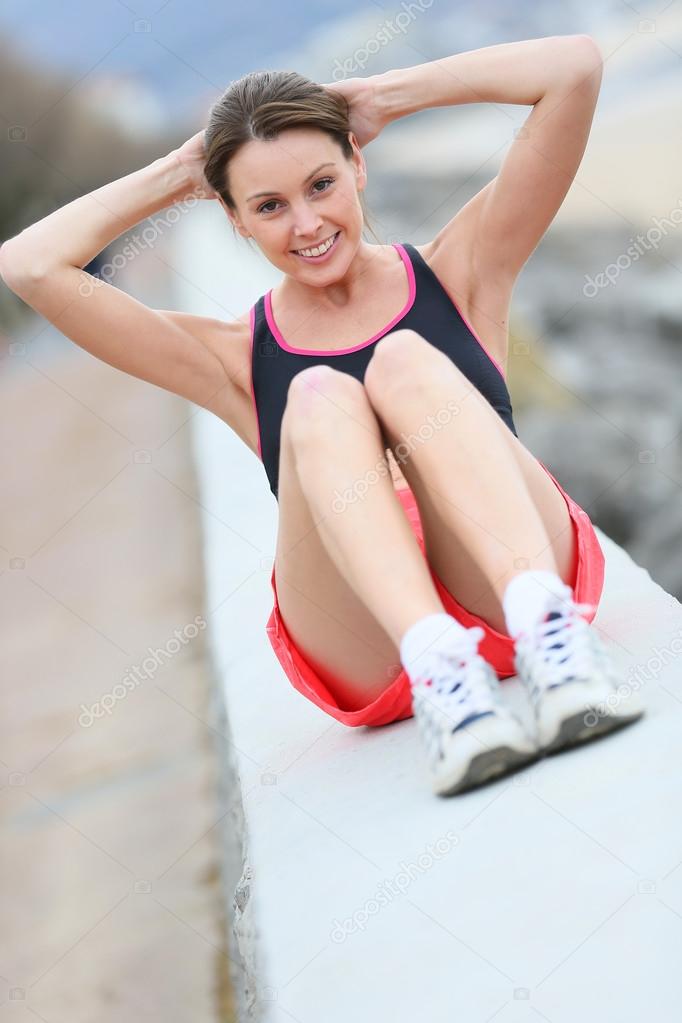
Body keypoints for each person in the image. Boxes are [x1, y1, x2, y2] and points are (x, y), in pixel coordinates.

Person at [0, 35, 644, 800]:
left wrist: (389, 96)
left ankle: (557, 645)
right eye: (269, 205)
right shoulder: (235, 357)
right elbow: (29, 265)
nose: (305, 224)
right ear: (235, 219)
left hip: (506, 586)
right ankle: (446, 675)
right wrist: (180, 171)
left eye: (321, 184)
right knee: (317, 392)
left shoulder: (460, 272)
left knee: (403, 359)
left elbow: (574, 68)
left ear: (358, 166)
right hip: (373, 644)